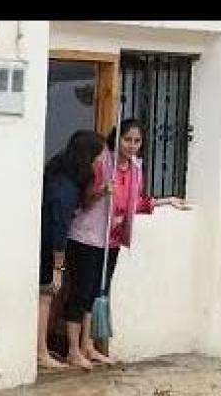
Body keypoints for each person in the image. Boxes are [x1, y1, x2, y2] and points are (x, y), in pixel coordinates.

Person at [63, 118, 190, 370]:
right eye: (127, 140)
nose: (132, 146)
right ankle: (72, 350)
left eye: (137, 141)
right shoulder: (102, 162)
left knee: (97, 293)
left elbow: (138, 203)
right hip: (87, 237)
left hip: (111, 240)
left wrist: (167, 201)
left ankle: (88, 346)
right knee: (80, 292)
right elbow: (84, 200)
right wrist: (102, 191)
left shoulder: (135, 170)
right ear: (117, 139)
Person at [37, 130, 106, 369]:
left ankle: (44, 350)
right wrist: (59, 266)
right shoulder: (64, 187)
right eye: (98, 158)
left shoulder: (63, 175)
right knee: (45, 296)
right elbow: (58, 227)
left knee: (48, 296)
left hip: (49, 242)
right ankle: (41, 352)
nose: (100, 163)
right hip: (48, 244)